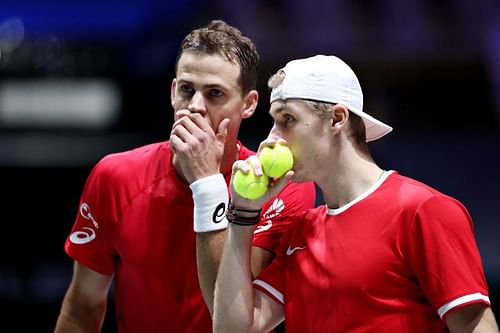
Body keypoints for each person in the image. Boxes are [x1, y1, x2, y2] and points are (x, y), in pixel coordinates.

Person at [54, 20, 316, 333]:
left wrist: (206, 184)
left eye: (215, 94)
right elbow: (83, 304)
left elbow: (232, 319)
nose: (194, 107)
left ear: (248, 105)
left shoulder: (283, 188)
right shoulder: (115, 176)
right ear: (173, 91)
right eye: (187, 90)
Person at [212, 55, 500, 332]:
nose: (272, 138)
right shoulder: (300, 232)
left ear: (337, 118)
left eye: (288, 119)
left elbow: (475, 327)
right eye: (273, 122)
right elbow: (232, 329)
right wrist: (243, 216)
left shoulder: (423, 210)